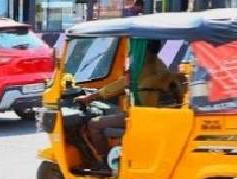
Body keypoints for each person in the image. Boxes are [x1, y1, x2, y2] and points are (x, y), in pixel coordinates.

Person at [74, 39, 182, 171]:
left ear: (139, 48)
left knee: (93, 124)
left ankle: (105, 162)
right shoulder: (162, 67)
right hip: (163, 117)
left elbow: (116, 87)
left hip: (140, 117)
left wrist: (89, 97)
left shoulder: (138, 69)